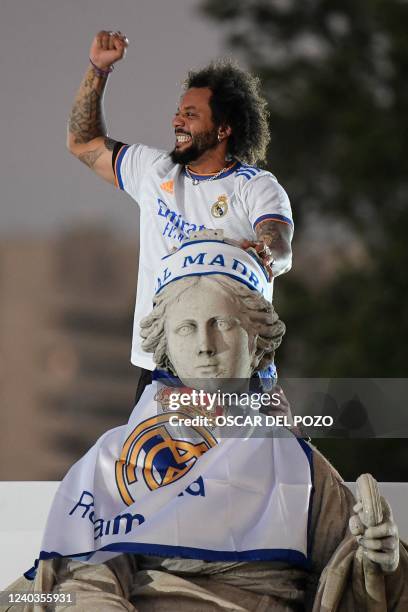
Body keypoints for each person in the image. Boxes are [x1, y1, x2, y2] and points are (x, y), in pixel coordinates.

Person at [3, 236, 406, 612]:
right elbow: (86, 580)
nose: (204, 345)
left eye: (224, 324)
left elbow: (353, 576)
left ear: (257, 343)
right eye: (186, 328)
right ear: (167, 348)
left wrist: (377, 560)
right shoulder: (116, 456)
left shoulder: (297, 463)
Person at [67, 31, 294, 395]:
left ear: (224, 128)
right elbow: (82, 142)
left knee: (251, 454)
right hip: (162, 370)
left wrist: (266, 251)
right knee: (145, 455)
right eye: (177, 113)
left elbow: (278, 242)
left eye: (191, 115)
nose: (177, 122)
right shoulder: (154, 171)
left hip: (234, 371)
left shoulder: (255, 185)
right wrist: (97, 70)